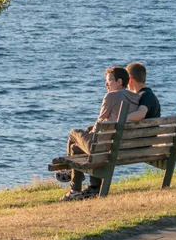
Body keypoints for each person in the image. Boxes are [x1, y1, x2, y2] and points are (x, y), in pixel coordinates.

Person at [61, 66, 144, 200]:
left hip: (103, 147)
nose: (106, 83)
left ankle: (71, 176)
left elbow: (100, 120)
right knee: (75, 148)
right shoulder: (135, 97)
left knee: (74, 133)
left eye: (110, 80)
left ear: (119, 82)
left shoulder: (111, 96)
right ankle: (88, 188)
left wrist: (91, 132)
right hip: (120, 145)